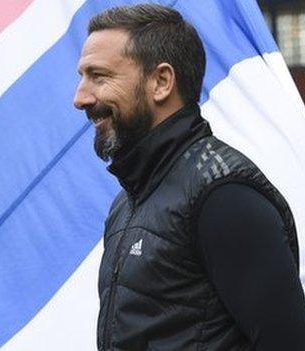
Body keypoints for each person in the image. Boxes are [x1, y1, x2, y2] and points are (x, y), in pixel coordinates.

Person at [73, 4, 305, 350]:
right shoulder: (127, 203)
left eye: (99, 76)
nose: (80, 97)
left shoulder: (224, 196)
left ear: (161, 82)